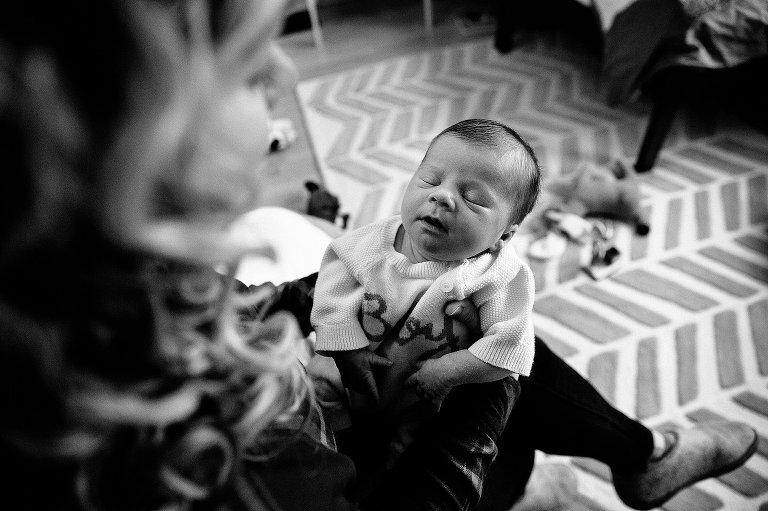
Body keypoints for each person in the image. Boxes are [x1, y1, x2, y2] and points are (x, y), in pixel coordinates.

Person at [0, 2, 757, 511]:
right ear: (126, 133)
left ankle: (634, 452)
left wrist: (329, 297)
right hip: (375, 445)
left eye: (474, 199)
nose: (287, 76)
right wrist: (488, 382)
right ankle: (572, 466)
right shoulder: (179, 437)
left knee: (473, 319)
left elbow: (261, 305)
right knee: (491, 366)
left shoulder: (104, 302)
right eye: (248, 64)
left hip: (370, 379)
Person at [310, 118, 539, 468]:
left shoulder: (495, 275)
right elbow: (332, 285)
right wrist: (347, 346)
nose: (442, 195)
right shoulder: (373, 244)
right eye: (430, 179)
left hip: (420, 397)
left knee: (405, 460)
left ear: (504, 236)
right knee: (316, 403)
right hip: (345, 375)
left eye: (472, 198)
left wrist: (448, 371)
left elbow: (512, 348)